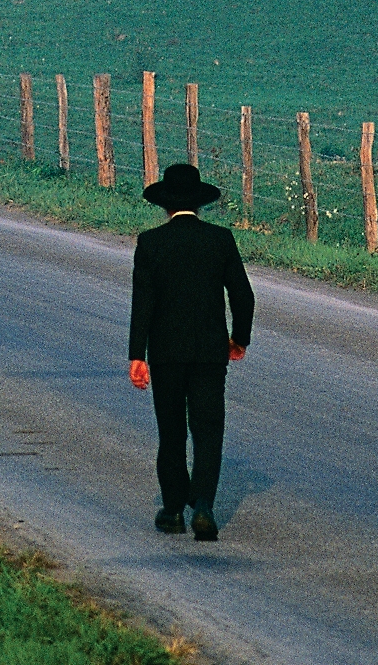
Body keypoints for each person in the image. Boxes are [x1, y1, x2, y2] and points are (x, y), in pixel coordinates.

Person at [128, 162, 254, 541]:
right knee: (208, 428)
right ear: (199, 204)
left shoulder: (150, 243)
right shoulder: (220, 240)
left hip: (166, 353)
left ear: (164, 205)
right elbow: (244, 296)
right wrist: (239, 339)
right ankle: (204, 506)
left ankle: (171, 509)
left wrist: (137, 354)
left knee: (171, 432)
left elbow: (143, 304)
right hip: (209, 352)